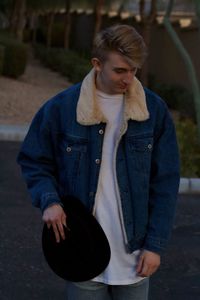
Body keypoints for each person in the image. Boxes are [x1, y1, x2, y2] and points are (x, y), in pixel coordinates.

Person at [17, 24, 180, 300]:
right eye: (120, 70)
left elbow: (165, 181)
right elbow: (34, 159)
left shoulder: (154, 111)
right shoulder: (62, 108)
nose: (128, 78)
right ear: (96, 64)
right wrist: (50, 200)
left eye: (134, 70)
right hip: (82, 248)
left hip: (135, 256)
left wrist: (155, 245)